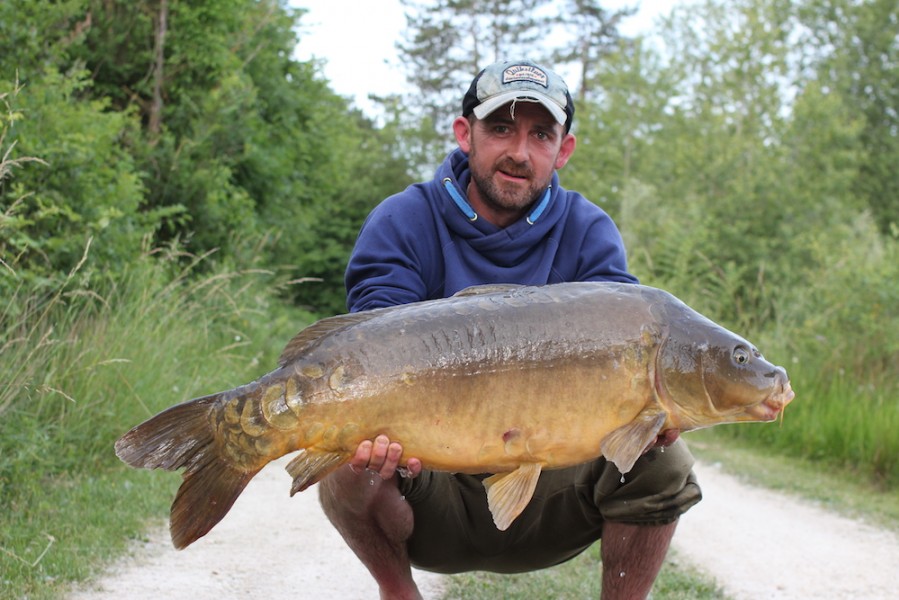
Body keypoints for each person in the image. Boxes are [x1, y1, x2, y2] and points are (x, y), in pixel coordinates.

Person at [319, 59, 701, 600]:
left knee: (664, 460)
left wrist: (649, 414)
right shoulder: (403, 221)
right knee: (346, 461)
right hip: (427, 486)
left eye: (540, 135)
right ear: (464, 133)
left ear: (563, 149)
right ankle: (397, 592)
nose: (519, 153)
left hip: (552, 493)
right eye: (501, 128)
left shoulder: (587, 232)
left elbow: (628, 350)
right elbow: (374, 347)